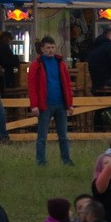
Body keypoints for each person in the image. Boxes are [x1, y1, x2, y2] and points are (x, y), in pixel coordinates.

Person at [29, 36, 76, 167]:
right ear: (42, 49)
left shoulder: (60, 63)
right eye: (47, 48)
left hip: (61, 103)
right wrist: (34, 105)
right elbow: (32, 86)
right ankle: (41, 161)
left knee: (63, 136)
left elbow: (67, 84)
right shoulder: (36, 65)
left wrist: (70, 103)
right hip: (45, 104)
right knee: (42, 136)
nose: (50, 50)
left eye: (52, 47)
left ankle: (66, 160)